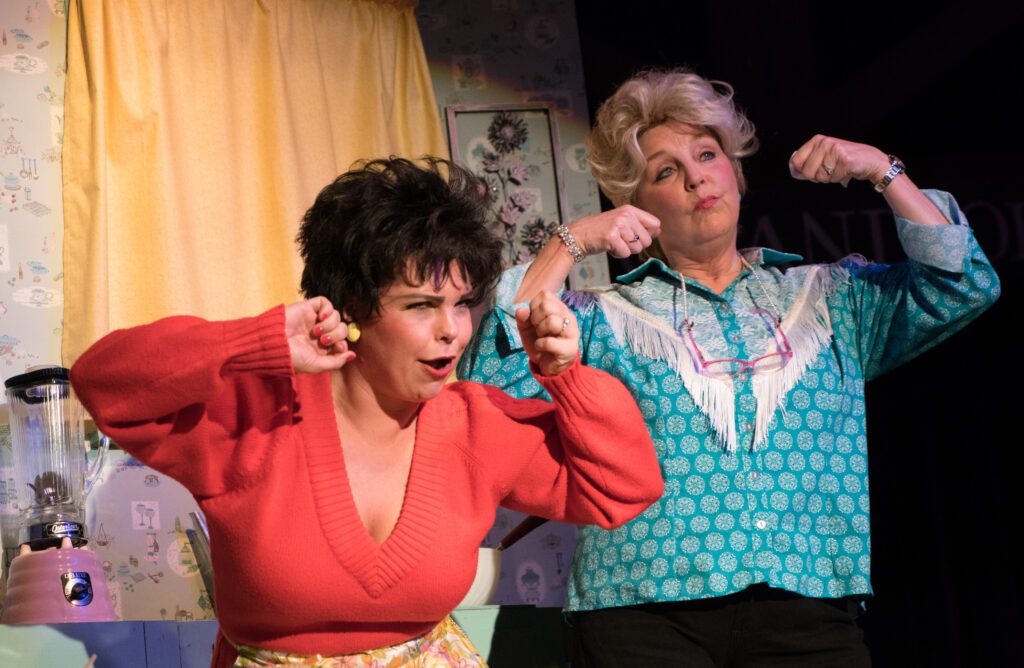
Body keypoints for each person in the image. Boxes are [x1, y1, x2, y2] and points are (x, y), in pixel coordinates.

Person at [459, 69, 1000, 666]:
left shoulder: (834, 300)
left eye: (708, 154)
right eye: (666, 170)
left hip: (808, 615)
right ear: (636, 205)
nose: (696, 177)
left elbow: (963, 285)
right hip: (641, 618)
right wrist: (569, 243)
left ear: (736, 172)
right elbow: (488, 385)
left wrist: (883, 171)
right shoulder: (600, 319)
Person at [70, 157, 663, 667]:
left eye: (461, 306)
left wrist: (566, 379)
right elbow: (105, 383)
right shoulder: (256, 417)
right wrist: (257, 340)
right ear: (353, 304)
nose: (451, 333)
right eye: (421, 305)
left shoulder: (474, 423)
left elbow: (621, 490)